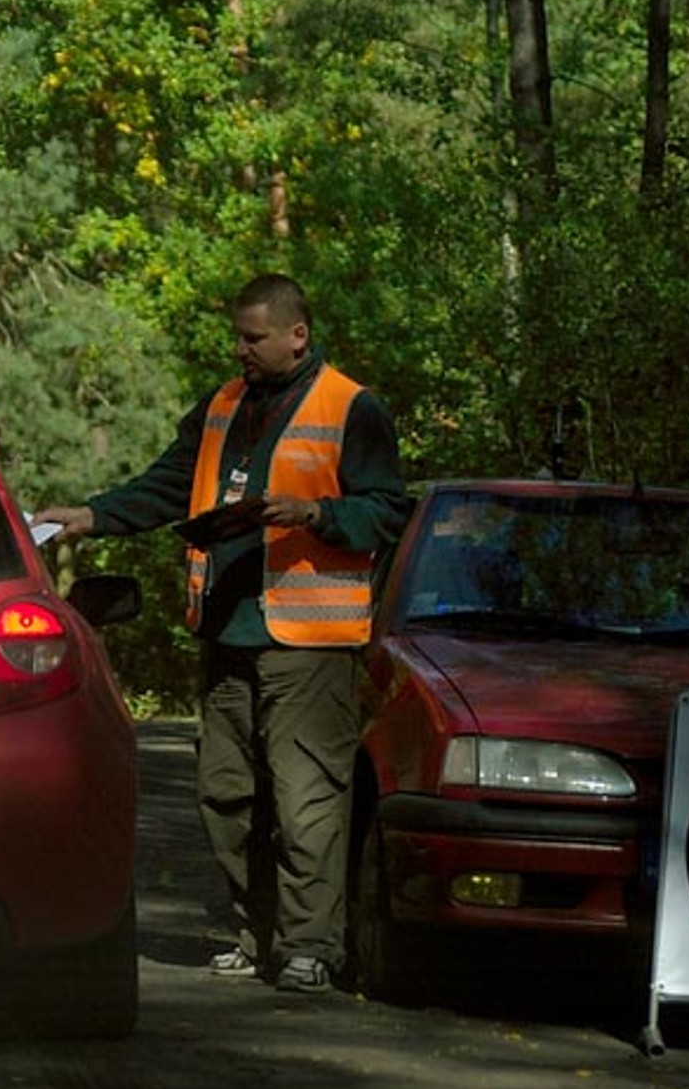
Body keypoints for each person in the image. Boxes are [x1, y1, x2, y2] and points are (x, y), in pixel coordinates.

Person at [32, 273, 407, 993]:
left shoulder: (351, 407)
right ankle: (255, 933)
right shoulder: (222, 405)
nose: (241, 349)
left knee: (306, 801)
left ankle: (309, 947)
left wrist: (316, 514)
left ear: (297, 335)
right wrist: (92, 515)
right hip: (227, 632)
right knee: (227, 794)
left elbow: (388, 511)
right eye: (237, 336)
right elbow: (170, 484)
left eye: (253, 338)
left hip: (309, 643)